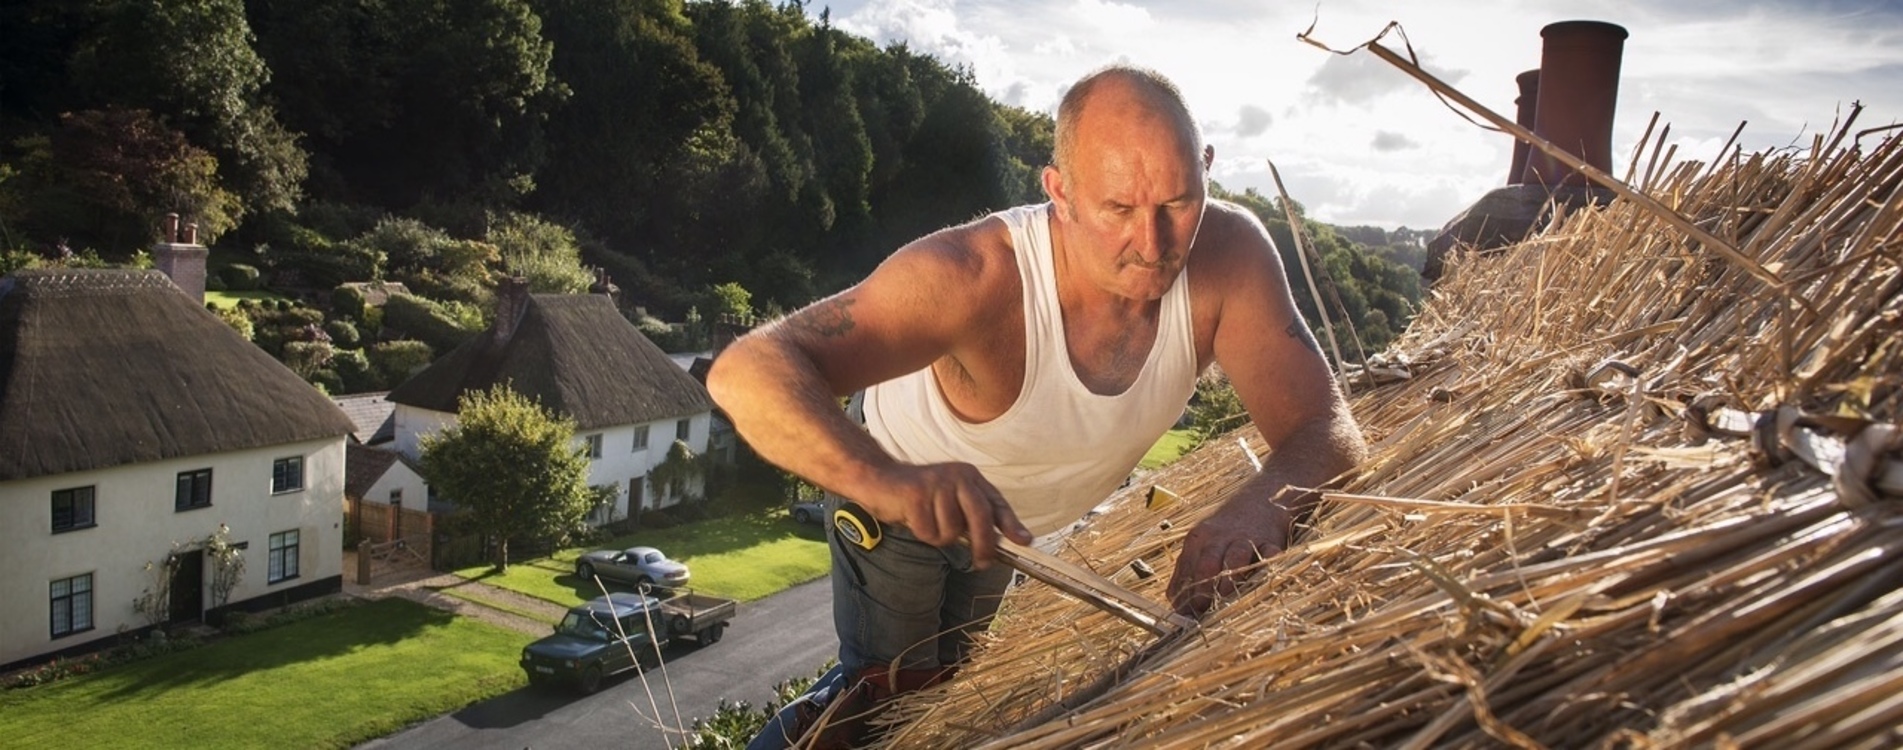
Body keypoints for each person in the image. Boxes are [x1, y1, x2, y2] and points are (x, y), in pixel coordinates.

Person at [706, 64, 1367, 748]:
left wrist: (1262, 499)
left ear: (1206, 169)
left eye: (1176, 202)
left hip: (1005, 529)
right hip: (898, 501)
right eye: (1117, 210)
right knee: (884, 701)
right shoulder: (972, 276)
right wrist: (886, 481)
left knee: (950, 693)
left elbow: (1324, 425)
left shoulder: (1231, 258)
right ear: (1059, 192)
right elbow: (747, 371)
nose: (1152, 243)